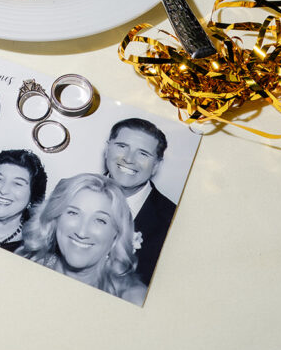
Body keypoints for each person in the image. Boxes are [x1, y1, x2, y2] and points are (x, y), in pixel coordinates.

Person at [18, 173, 147, 305]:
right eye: (73, 213)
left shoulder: (133, 299)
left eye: (100, 220)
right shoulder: (24, 268)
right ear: (55, 219)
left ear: (117, 233)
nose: (82, 232)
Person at [103, 117, 176, 286]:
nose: (129, 159)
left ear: (156, 165)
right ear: (107, 150)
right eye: (122, 146)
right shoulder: (68, 192)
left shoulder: (172, 221)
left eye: (143, 153)